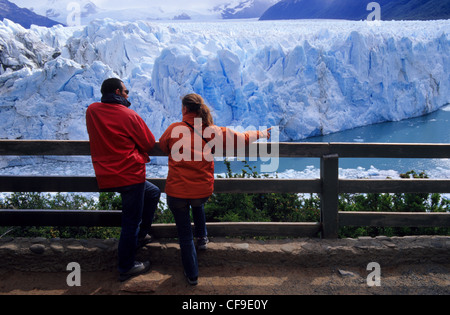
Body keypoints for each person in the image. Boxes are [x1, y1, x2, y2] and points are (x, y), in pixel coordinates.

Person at [159, 93, 271, 285]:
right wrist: (261, 134)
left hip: (177, 192)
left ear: (185, 109)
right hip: (201, 191)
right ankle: (202, 238)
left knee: (185, 235)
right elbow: (241, 139)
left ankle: (192, 276)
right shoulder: (212, 131)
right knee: (196, 201)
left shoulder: (174, 129)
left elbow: (162, 146)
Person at [86, 78, 161, 282]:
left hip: (106, 174)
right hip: (130, 174)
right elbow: (147, 142)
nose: (128, 95)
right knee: (130, 222)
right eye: (126, 92)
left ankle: (141, 236)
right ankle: (126, 266)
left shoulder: (92, 111)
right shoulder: (129, 115)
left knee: (153, 192)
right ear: (119, 91)